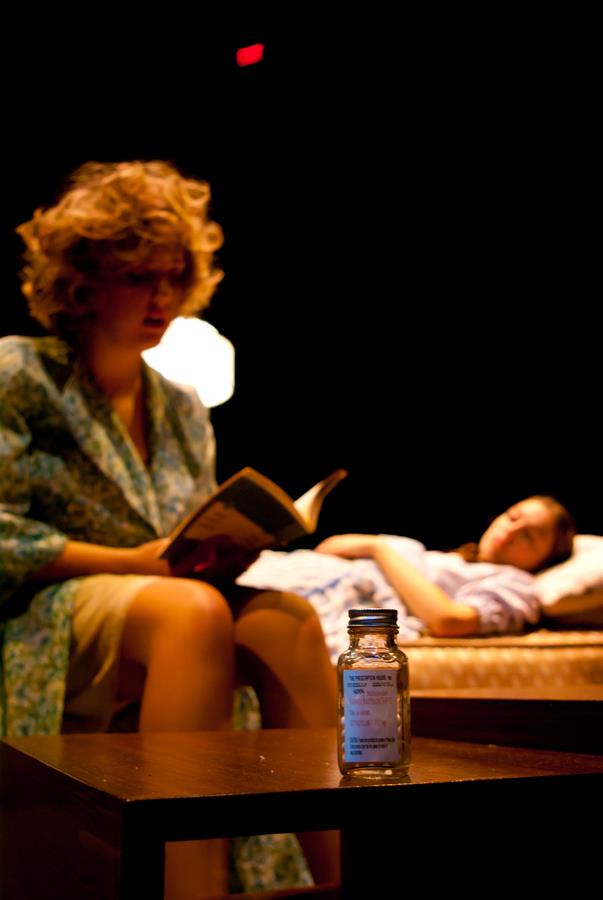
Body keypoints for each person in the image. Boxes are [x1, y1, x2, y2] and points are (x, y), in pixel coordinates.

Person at [0, 160, 337, 897]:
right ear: (83, 279)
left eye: (173, 277)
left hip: (160, 599)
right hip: (42, 613)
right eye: (137, 277)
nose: (161, 298)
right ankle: (188, 890)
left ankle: (342, 876)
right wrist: (135, 562)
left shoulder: (182, 407)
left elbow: (184, 538)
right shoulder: (20, 374)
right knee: (190, 612)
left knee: (288, 620)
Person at [237, 495, 576, 663]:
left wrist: (379, 550)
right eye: (512, 517)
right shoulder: (450, 559)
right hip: (323, 569)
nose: (511, 530)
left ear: (546, 558)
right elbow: (329, 548)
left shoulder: (515, 584)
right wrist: (374, 548)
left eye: (529, 536)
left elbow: (449, 619)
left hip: (360, 593)